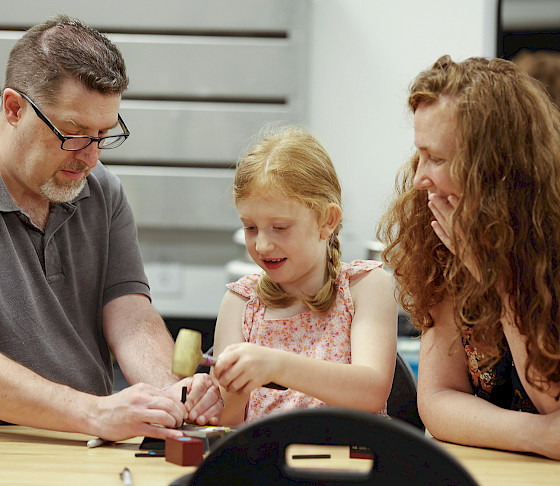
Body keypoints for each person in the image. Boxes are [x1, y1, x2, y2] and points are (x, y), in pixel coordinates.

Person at [0, 15, 222, 441]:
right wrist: (93, 412)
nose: (91, 158)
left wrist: (169, 392)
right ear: (14, 108)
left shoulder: (100, 191)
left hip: (85, 439)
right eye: (72, 133)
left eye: (103, 134)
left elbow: (130, 315)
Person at [377, 55, 560, 460]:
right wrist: (536, 436)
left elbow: (553, 403)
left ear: (494, 169)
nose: (420, 176)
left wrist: (498, 279)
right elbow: (438, 400)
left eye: (437, 158)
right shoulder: (441, 230)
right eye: (419, 155)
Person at [212, 125, 397, 425]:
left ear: (327, 220)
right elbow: (225, 424)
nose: (261, 244)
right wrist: (226, 396)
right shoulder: (240, 302)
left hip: (349, 468)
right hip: (265, 465)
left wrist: (275, 365)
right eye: (250, 227)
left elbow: (371, 391)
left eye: (280, 227)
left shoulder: (366, 286)